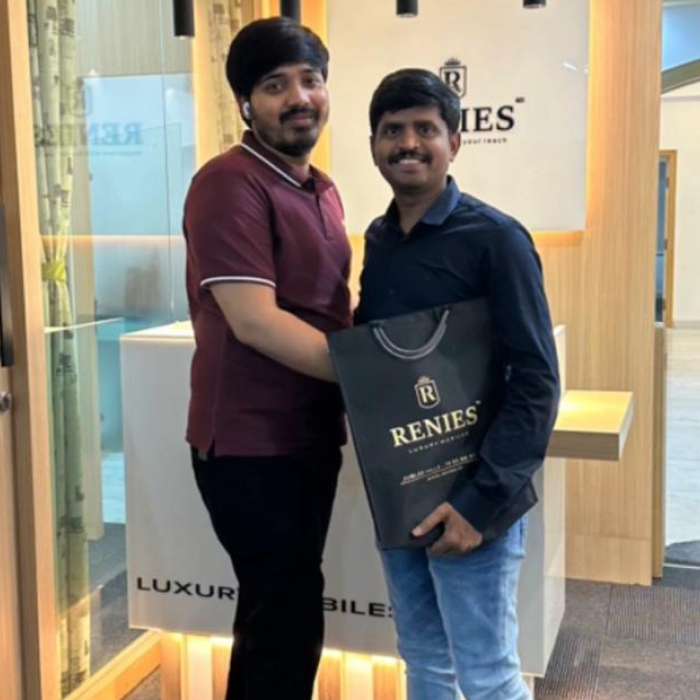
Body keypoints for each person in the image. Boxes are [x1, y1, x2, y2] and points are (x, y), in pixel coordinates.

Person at [354, 69, 560, 700]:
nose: (408, 144)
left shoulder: (497, 239)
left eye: (426, 129)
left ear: (455, 142)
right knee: (423, 659)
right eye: (392, 130)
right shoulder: (380, 239)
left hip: (475, 499)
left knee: (488, 674)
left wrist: (480, 503)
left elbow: (536, 382)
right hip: (402, 495)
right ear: (373, 145)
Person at [182, 17, 351, 700]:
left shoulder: (323, 188)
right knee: (282, 617)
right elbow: (255, 322)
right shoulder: (229, 183)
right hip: (249, 446)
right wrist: (375, 377)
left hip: (309, 435)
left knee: (282, 612)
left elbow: (327, 308)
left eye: (311, 80)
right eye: (276, 85)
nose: (299, 97)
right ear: (245, 104)